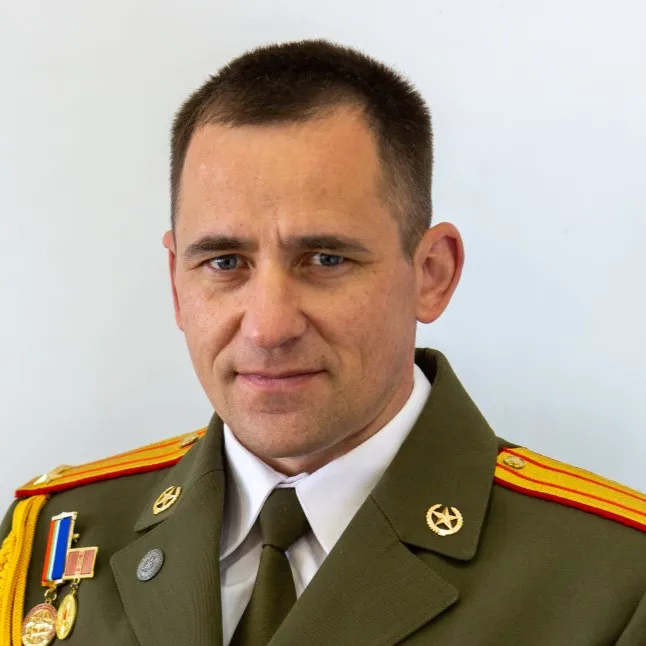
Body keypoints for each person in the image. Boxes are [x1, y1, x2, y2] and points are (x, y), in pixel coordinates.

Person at [1, 39, 644, 646]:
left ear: (431, 274)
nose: (268, 327)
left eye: (326, 259)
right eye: (224, 262)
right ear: (176, 284)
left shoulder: (616, 581)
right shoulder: (51, 537)